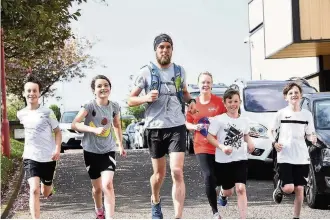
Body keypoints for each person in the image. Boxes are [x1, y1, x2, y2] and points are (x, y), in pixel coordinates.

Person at [127, 33, 197, 219]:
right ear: (156, 50)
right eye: (161, 47)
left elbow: (184, 93)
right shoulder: (146, 72)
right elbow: (130, 100)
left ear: (172, 49)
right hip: (155, 128)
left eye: (168, 47)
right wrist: (145, 98)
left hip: (176, 126)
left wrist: (192, 101)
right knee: (159, 175)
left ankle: (178, 216)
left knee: (177, 171)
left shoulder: (180, 71)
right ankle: (155, 199)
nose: (165, 50)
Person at [71, 75, 127, 219]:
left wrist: (120, 144)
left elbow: (116, 125)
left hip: (108, 150)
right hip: (90, 151)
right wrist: (94, 130)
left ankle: (110, 217)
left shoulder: (114, 106)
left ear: (110, 88)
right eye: (99, 86)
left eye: (106, 85)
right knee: (97, 189)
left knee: (107, 184)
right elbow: (75, 124)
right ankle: (99, 209)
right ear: (94, 91)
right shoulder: (89, 106)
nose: (103, 88)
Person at [269, 82, 316, 219]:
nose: (294, 95)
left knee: (300, 189)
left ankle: (296, 217)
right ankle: (280, 186)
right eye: (291, 93)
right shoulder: (281, 114)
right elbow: (270, 131)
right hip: (285, 155)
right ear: (286, 97)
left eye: (296, 92)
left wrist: (312, 137)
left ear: (300, 95)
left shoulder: (307, 115)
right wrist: (274, 142)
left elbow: (309, 133)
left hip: (301, 156)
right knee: (289, 189)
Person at [17, 75, 62, 219]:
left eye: (34, 90)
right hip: (31, 157)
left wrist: (57, 149)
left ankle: (49, 187)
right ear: (24, 93)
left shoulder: (48, 112)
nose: (31, 93)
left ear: (39, 93)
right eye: (28, 90)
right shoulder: (21, 114)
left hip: (48, 157)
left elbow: (57, 131)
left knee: (45, 192)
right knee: (34, 190)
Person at [206, 88, 255, 219]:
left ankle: (243, 217)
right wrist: (221, 147)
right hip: (223, 160)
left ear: (240, 102)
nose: (233, 104)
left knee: (241, 189)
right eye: (230, 101)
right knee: (229, 191)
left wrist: (250, 142)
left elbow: (245, 134)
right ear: (224, 103)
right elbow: (210, 137)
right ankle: (223, 194)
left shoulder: (244, 120)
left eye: (236, 101)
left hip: (240, 159)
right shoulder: (219, 120)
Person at [185, 72, 226, 219]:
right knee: (208, 176)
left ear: (212, 84)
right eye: (203, 82)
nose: (205, 85)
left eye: (208, 82)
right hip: (201, 145)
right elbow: (187, 122)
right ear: (198, 84)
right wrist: (194, 127)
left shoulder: (220, 103)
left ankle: (222, 193)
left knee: (220, 179)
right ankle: (215, 212)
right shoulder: (193, 104)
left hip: (219, 146)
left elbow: (229, 119)